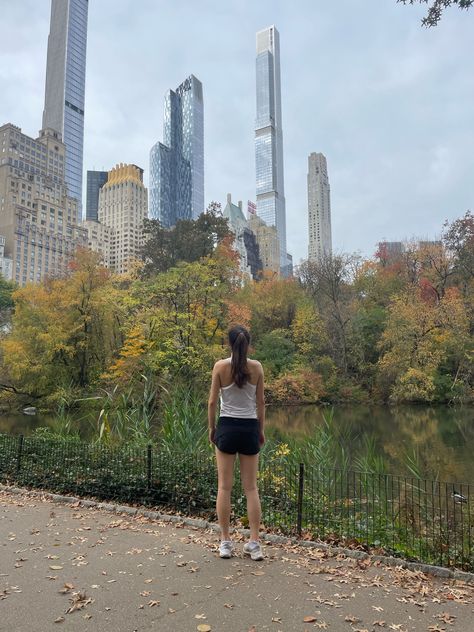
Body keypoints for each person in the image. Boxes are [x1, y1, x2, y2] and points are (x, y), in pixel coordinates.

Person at [208, 325, 265, 561]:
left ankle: (225, 542)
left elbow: (212, 402)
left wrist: (212, 429)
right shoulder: (257, 367)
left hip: (228, 427)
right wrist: (260, 430)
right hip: (250, 427)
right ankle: (254, 543)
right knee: (251, 488)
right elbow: (261, 403)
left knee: (224, 487)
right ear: (248, 344)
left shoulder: (220, 367)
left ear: (229, 344)